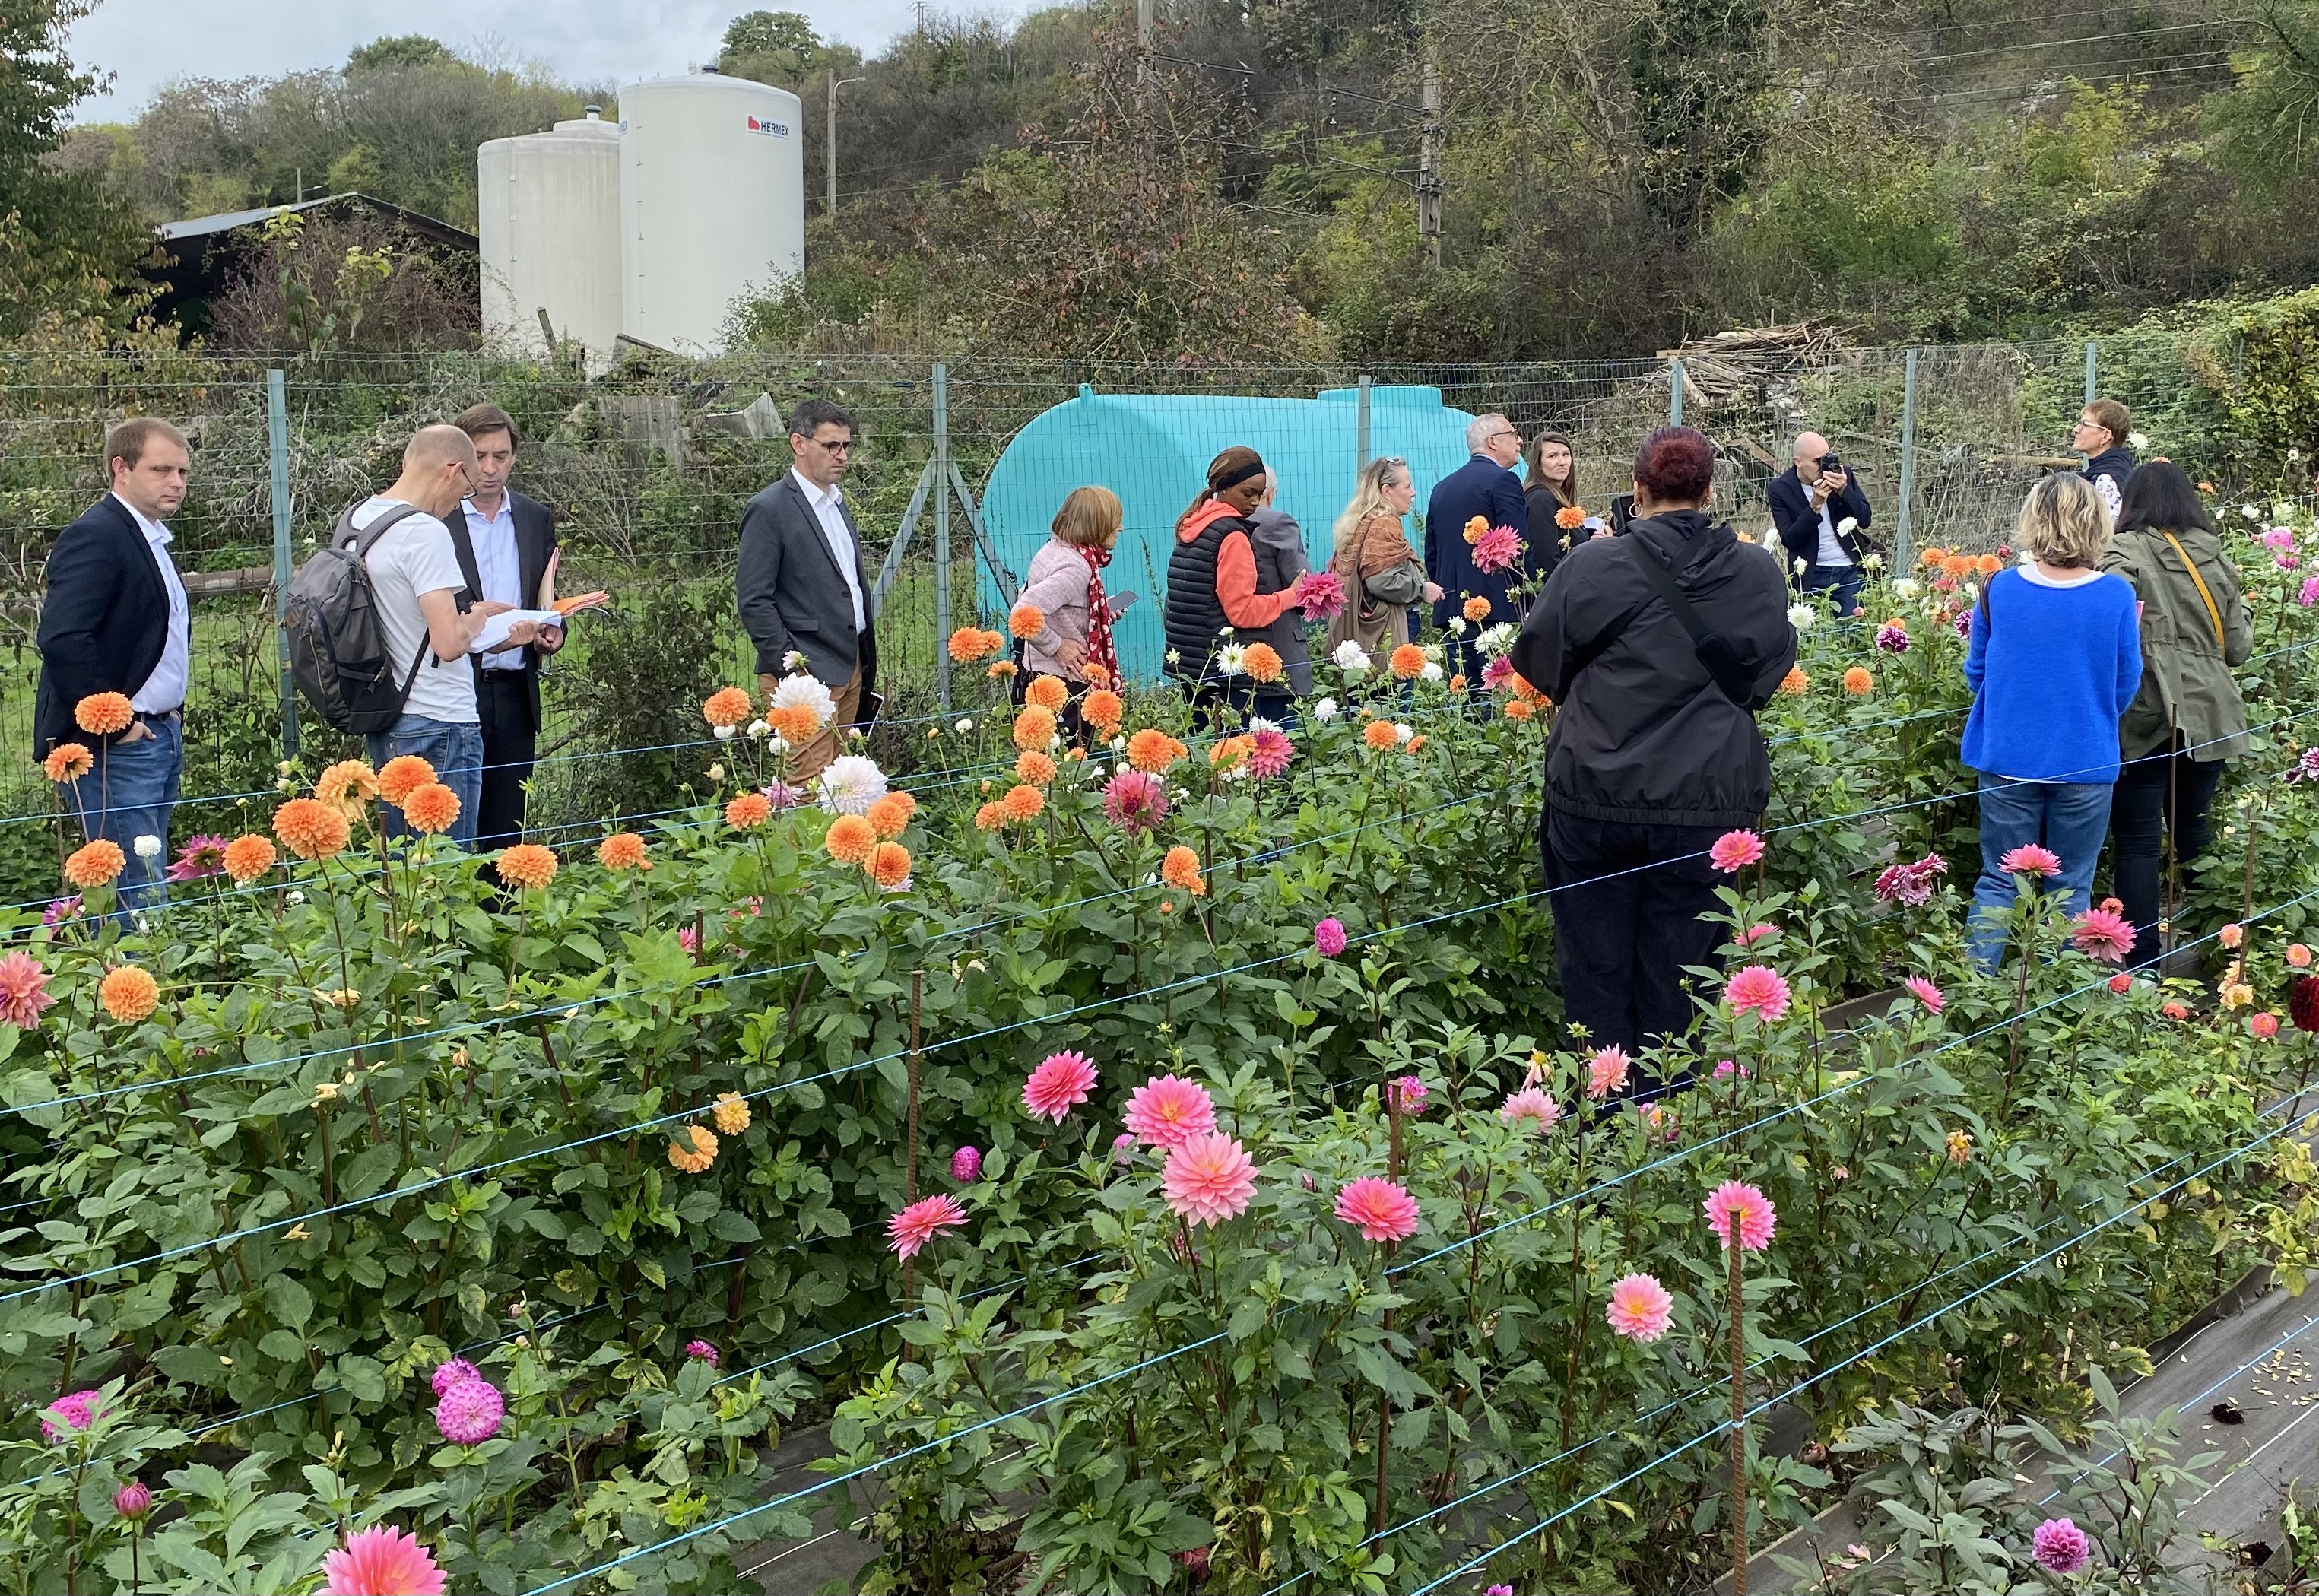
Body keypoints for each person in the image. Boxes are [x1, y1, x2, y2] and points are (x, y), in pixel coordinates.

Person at [1509, 426, 1797, 1072]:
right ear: (1710, 490)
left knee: (1593, 964)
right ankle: (1668, 1123)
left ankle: (1603, 1121)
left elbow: (1538, 661)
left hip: (1594, 795)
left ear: (1637, 492)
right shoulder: (1754, 569)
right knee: (1689, 968)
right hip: (1708, 797)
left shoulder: (1591, 565)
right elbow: (1767, 674)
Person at [1960, 473, 2143, 972]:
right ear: (2096, 523)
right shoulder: (2115, 596)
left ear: (2033, 521)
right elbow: (2126, 681)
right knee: (2071, 887)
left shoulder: (1999, 588)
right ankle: (2059, 1000)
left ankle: (1972, 996)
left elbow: (1977, 672)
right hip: (2085, 761)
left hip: (2007, 758)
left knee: (1999, 879)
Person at [36, 417, 194, 910]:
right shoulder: (98, 535)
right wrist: (116, 723)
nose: (176, 482)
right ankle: (136, 985)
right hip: (116, 747)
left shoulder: (149, 536)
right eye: (161, 469)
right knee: (136, 894)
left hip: (158, 735)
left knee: (145, 880)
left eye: (184, 472)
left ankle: (146, 981)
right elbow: (63, 637)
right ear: (120, 468)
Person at [2101, 461, 2251, 969]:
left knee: (2139, 843)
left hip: (2145, 712)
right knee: (2196, 832)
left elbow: (2109, 616)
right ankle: (2222, 952)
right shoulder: (2214, 555)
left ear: (2131, 503)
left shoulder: (2123, 551)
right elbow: (2239, 648)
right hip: (2210, 712)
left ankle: (2140, 965)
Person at [353, 425, 532, 846]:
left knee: (403, 864)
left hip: (387, 712)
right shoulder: (425, 532)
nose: (458, 505)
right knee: (448, 870)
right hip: (441, 720)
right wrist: (478, 618)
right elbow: (449, 643)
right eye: (465, 487)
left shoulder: (362, 517)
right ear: (453, 471)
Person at [737, 399, 879, 782]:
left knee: (844, 784)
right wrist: (792, 669)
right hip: (806, 675)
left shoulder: (836, 503)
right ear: (799, 444)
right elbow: (754, 600)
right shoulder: (769, 509)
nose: (842, 455)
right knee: (808, 791)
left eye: (847, 446)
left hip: (851, 666)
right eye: (831, 446)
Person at [451, 404, 561, 855]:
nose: (490, 469)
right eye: (479, 456)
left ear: (515, 455)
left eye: (501, 455)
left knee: (507, 828)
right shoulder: (436, 520)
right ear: (460, 459)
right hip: (459, 689)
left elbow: (546, 598)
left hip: (517, 690)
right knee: (456, 820)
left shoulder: (536, 519)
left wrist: (553, 632)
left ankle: (501, 920)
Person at [1163, 446, 1301, 727]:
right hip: (1225, 668)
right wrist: (1290, 596)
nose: (1254, 502)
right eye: (1247, 493)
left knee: (1203, 748)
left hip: (1191, 665)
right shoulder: (1233, 536)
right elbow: (1242, 612)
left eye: (1259, 494)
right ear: (1224, 489)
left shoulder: (1194, 526)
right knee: (1233, 757)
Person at [1426, 413, 1538, 681]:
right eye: (1513, 434)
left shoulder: (1441, 488)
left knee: (1467, 698)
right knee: (1501, 695)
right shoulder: (1503, 481)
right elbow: (1516, 546)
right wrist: (1531, 599)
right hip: (1498, 613)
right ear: (1493, 442)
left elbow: (1432, 555)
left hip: (1452, 612)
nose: (1519, 440)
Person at [1014, 485, 1126, 731]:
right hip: (1062, 681)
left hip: (1036, 674)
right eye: (1114, 522)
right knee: (1071, 762)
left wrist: (1098, 611)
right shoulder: (1076, 567)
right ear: (1096, 524)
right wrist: (1057, 646)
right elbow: (1023, 613)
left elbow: (1055, 603)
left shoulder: (1054, 549)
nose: (1120, 529)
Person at [1326, 457, 1441, 657]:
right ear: (1387, 491)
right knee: (1397, 685)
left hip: (1363, 625)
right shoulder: (1384, 523)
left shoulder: (1360, 521)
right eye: (1407, 487)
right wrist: (1422, 589)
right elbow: (1380, 581)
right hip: (1388, 628)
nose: (1413, 493)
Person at [1768, 431, 1874, 618]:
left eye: (1827, 458)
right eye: (1817, 462)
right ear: (1798, 462)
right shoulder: (1780, 488)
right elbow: (1790, 540)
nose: (1824, 467)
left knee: (1852, 634)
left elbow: (1865, 519)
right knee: (1812, 638)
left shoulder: (1842, 475)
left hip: (1848, 569)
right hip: (1810, 572)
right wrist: (1815, 505)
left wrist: (1844, 490)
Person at [1245, 470, 1313, 703]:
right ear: (1270, 493)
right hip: (1277, 648)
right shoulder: (1278, 523)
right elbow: (1304, 588)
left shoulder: (1210, 522)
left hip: (1229, 654)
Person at [1522, 428, 1584, 570]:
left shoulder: (1555, 496)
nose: (1562, 462)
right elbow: (1546, 562)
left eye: (1566, 455)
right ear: (1538, 463)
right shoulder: (1540, 500)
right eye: (1553, 456)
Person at [2075, 397, 2136, 519]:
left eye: (2085, 424)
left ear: (2105, 436)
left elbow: (2108, 531)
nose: (2076, 430)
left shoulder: (2105, 478)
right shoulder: (2120, 467)